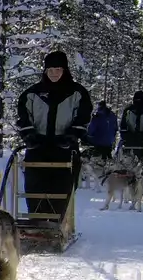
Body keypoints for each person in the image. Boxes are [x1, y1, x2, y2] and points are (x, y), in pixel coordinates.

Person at [15, 50, 94, 233]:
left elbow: (83, 118)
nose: (54, 73)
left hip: (64, 148)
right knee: (35, 186)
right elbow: (23, 117)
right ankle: (36, 224)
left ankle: (57, 225)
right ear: (45, 71)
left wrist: (73, 135)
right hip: (38, 147)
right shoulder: (32, 94)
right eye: (50, 69)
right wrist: (29, 135)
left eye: (58, 69)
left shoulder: (77, 93)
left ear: (65, 69)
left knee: (61, 188)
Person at [119, 91, 143, 157]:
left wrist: (124, 133)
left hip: (131, 138)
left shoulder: (128, 109)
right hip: (142, 139)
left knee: (122, 151)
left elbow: (123, 125)